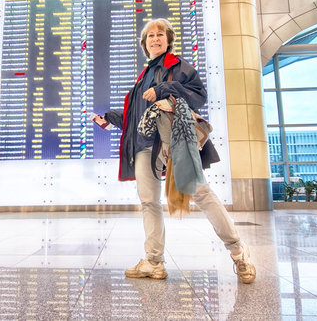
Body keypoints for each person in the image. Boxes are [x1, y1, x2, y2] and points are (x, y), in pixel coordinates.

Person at [94, 18, 256, 284]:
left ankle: (239, 252)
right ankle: (154, 262)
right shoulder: (144, 74)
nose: (155, 39)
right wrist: (110, 118)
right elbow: (137, 116)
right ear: (144, 44)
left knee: (201, 194)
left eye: (160, 34)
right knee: (149, 203)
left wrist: (163, 88)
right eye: (150, 36)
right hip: (145, 146)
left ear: (168, 40)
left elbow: (198, 96)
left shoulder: (177, 66)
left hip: (174, 141)